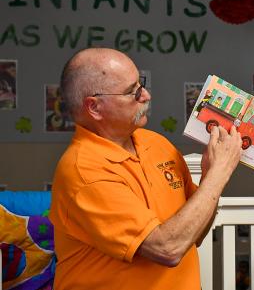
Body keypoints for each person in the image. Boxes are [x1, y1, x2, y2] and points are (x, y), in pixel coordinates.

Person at [49, 47, 243, 290]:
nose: (147, 96)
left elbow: (194, 234)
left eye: (141, 85)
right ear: (95, 108)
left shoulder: (157, 144)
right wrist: (219, 173)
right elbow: (167, 249)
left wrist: (208, 176)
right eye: (133, 91)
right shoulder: (83, 171)